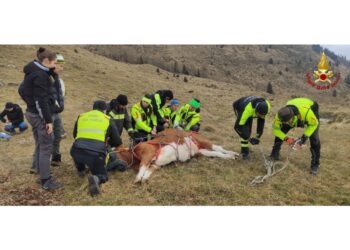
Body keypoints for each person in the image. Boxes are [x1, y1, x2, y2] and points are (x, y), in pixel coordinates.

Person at [22, 47, 63, 190]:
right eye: (54, 62)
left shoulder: (32, 70)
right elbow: (41, 101)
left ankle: (41, 172)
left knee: (40, 143)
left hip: (31, 113)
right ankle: (46, 180)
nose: (56, 65)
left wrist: (29, 103)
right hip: (39, 116)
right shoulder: (40, 76)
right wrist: (48, 121)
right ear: (46, 61)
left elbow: (21, 90)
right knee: (46, 146)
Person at [71, 100, 122, 196]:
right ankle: (97, 178)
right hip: (96, 154)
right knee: (103, 176)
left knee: (79, 150)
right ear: (104, 110)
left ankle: (81, 169)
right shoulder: (107, 119)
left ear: (93, 108)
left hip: (76, 151)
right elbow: (116, 141)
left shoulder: (82, 116)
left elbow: (75, 135)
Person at [270, 97, 320, 175]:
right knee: (281, 132)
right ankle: (274, 154)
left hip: (310, 109)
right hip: (293, 106)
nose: (286, 124)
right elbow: (276, 130)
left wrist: (303, 138)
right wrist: (286, 138)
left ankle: (315, 164)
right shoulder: (280, 116)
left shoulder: (307, 113)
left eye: (288, 122)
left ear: (293, 116)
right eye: (284, 122)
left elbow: (314, 125)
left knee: (314, 139)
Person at [233, 96, 271, 160]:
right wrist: (249, 138)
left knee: (250, 131)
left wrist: (258, 136)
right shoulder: (247, 110)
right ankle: (244, 152)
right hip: (239, 106)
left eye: (263, 115)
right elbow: (237, 127)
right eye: (259, 114)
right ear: (256, 110)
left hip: (251, 109)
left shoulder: (267, 106)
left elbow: (261, 122)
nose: (261, 116)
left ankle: (246, 147)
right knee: (245, 131)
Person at [51, 53, 66, 166]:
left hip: (57, 113)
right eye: (60, 65)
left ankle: (55, 158)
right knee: (46, 140)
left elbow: (62, 95)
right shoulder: (44, 77)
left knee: (58, 135)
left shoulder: (59, 80)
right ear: (53, 64)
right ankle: (37, 166)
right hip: (47, 114)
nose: (62, 68)